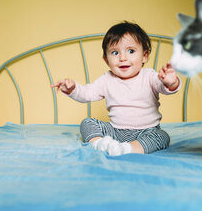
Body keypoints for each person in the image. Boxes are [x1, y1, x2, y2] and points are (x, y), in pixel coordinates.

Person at [52, 21, 181, 156]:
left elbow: (163, 87)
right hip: (115, 131)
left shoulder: (149, 76)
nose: (123, 58)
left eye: (131, 51)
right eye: (114, 53)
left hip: (146, 131)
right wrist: (72, 89)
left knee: (161, 136)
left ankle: (128, 149)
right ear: (106, 60)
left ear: (145, 56)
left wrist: (171, 83)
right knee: (87, 123)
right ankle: (99, 144)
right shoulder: (107, 79)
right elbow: (87, 94)